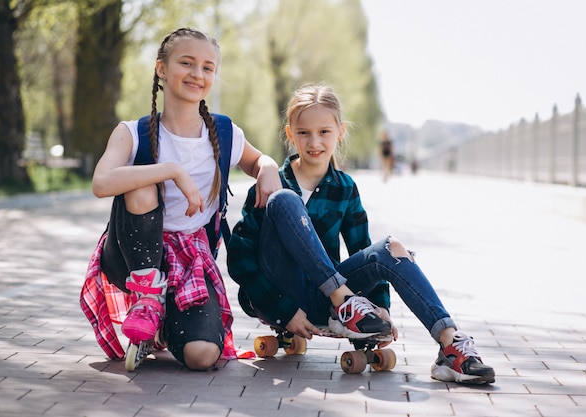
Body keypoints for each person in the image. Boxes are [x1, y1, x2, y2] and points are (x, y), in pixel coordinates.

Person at [226, 83, 495, 384]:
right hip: (281, 294)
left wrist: (381, 308)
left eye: (324, 132)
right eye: (304, 133)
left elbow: (362, 251)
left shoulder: (345, 187)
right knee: (284, 200)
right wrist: (283, 311)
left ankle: (451, 346)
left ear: (340, 132)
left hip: (325, 298)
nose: (314, 142)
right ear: (290, 134)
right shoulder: (271, 184)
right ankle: (344, 302)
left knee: (391, 247)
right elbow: (240, 259)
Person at [80, 27, 281, 371]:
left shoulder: (224, 133)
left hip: (189, 261)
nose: (197, 74)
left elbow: (257, 160)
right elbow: (101, 183)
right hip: (130, 257)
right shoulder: (132, 132)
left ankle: (159, 329)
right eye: (186, 63)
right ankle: (147, 299)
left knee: (202, 356)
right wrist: (170, 169)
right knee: (142, 184)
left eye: (207, 67)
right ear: (161, 69)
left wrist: (269, 167)